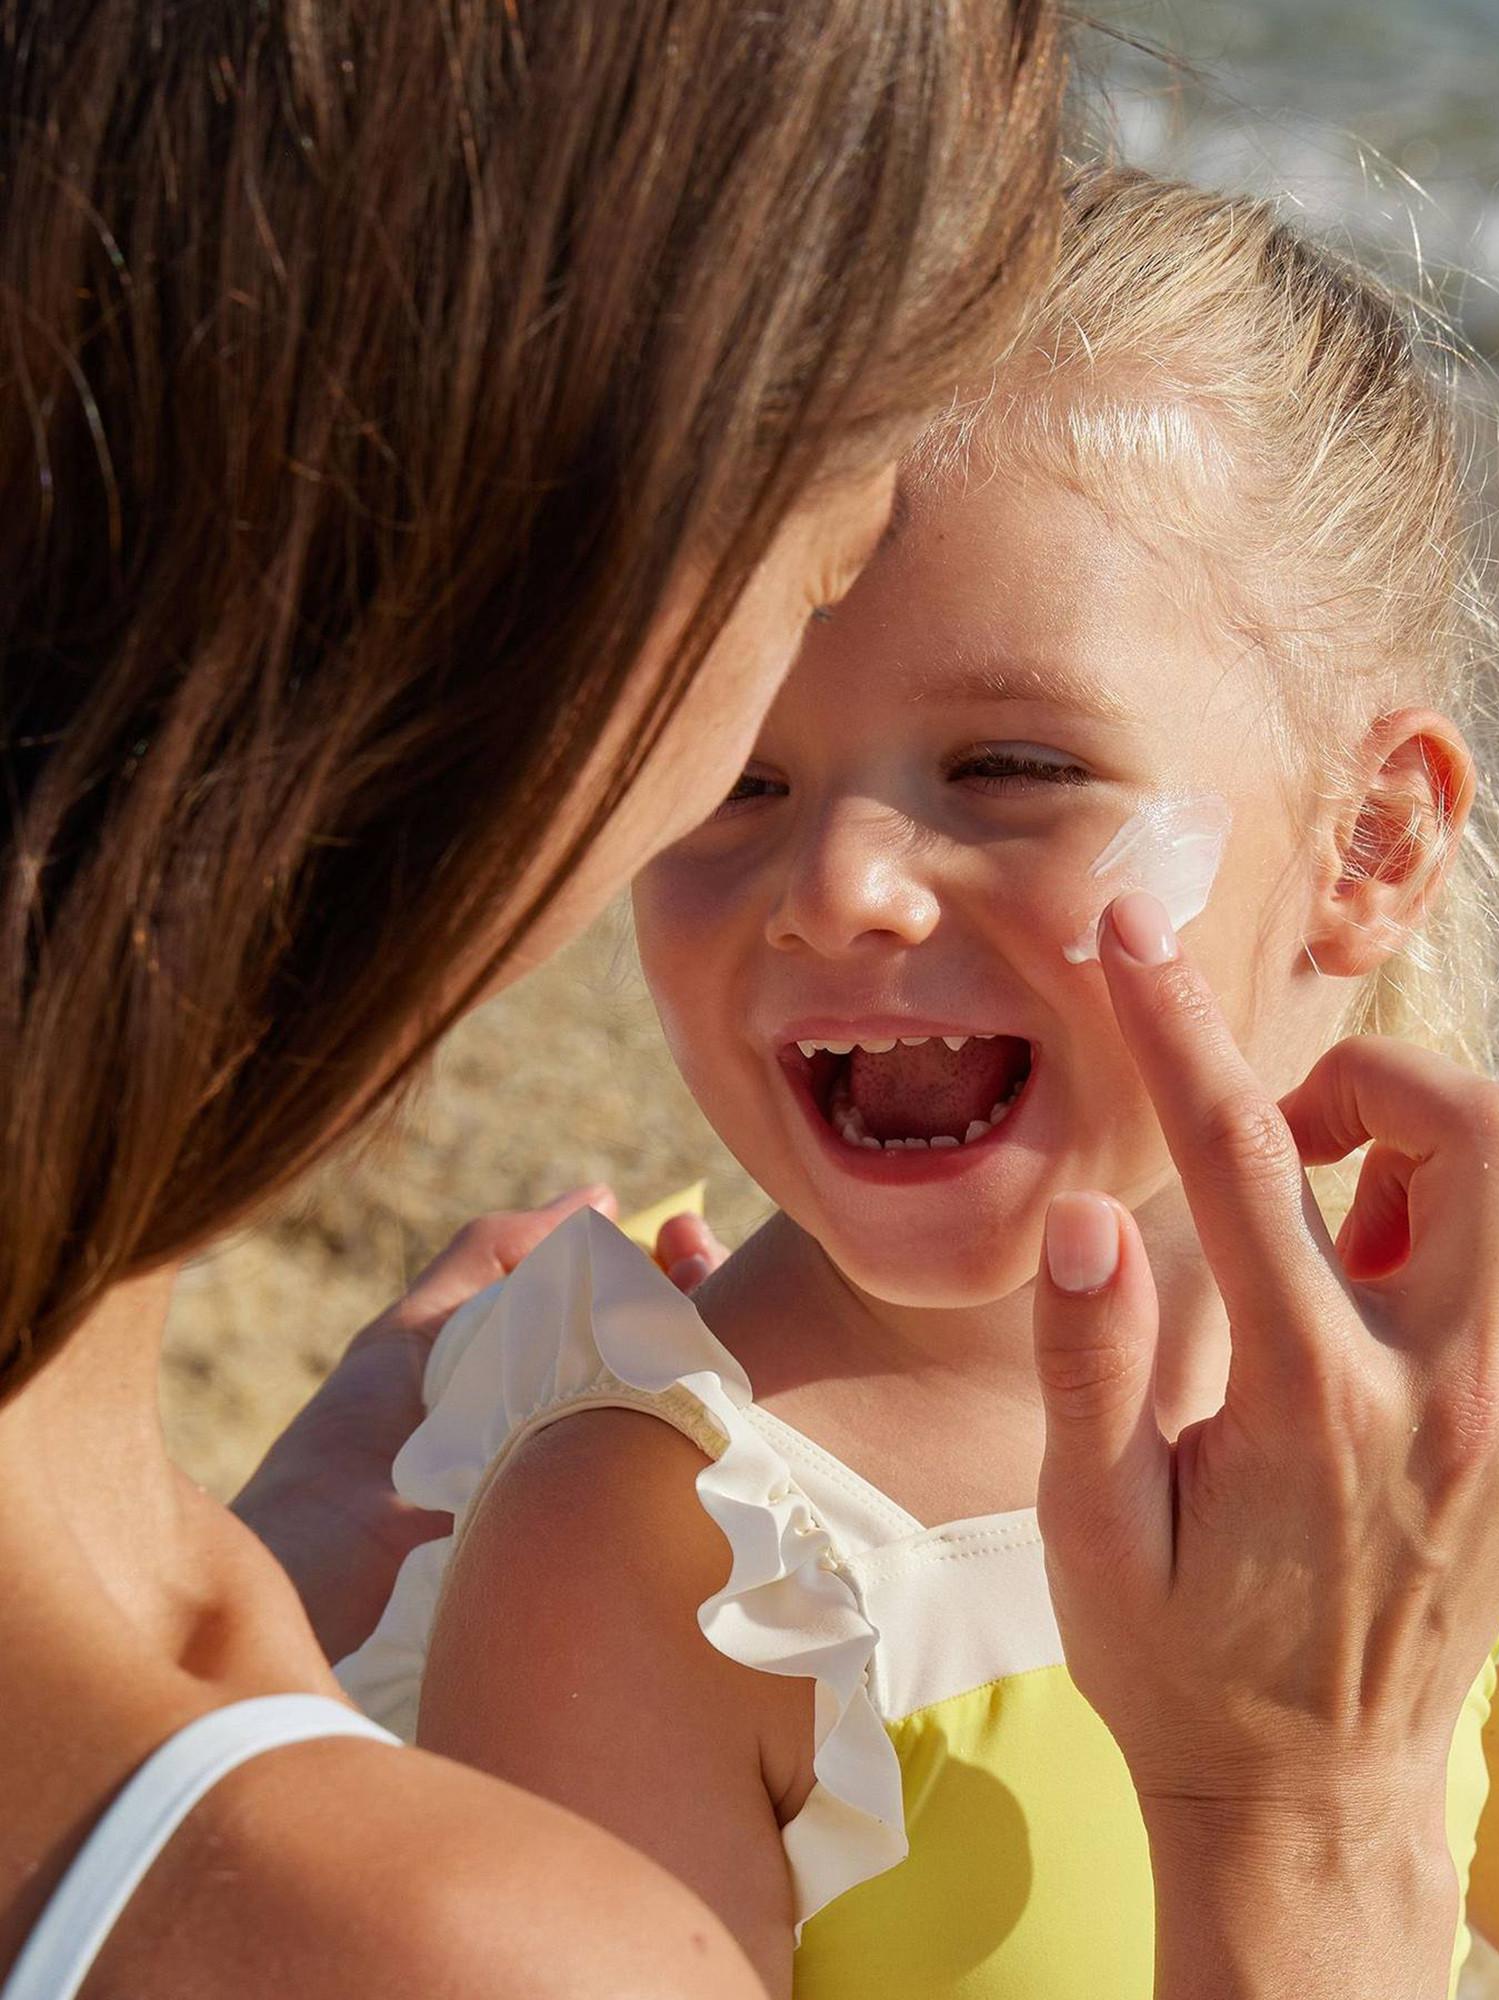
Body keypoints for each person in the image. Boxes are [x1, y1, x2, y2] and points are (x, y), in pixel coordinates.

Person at [336, 168, 1499, 2000]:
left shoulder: (1436, 1361)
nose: (838, 884)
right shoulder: (676, 1550)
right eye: (736, 775)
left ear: (1369, 845)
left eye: (1010, 766)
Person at [1, 4, 1062, 1994]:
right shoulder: (452, 1949)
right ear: (571, 555)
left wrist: (219, 1577)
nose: (837, 878)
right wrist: (1300, 1819)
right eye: (817, 581)